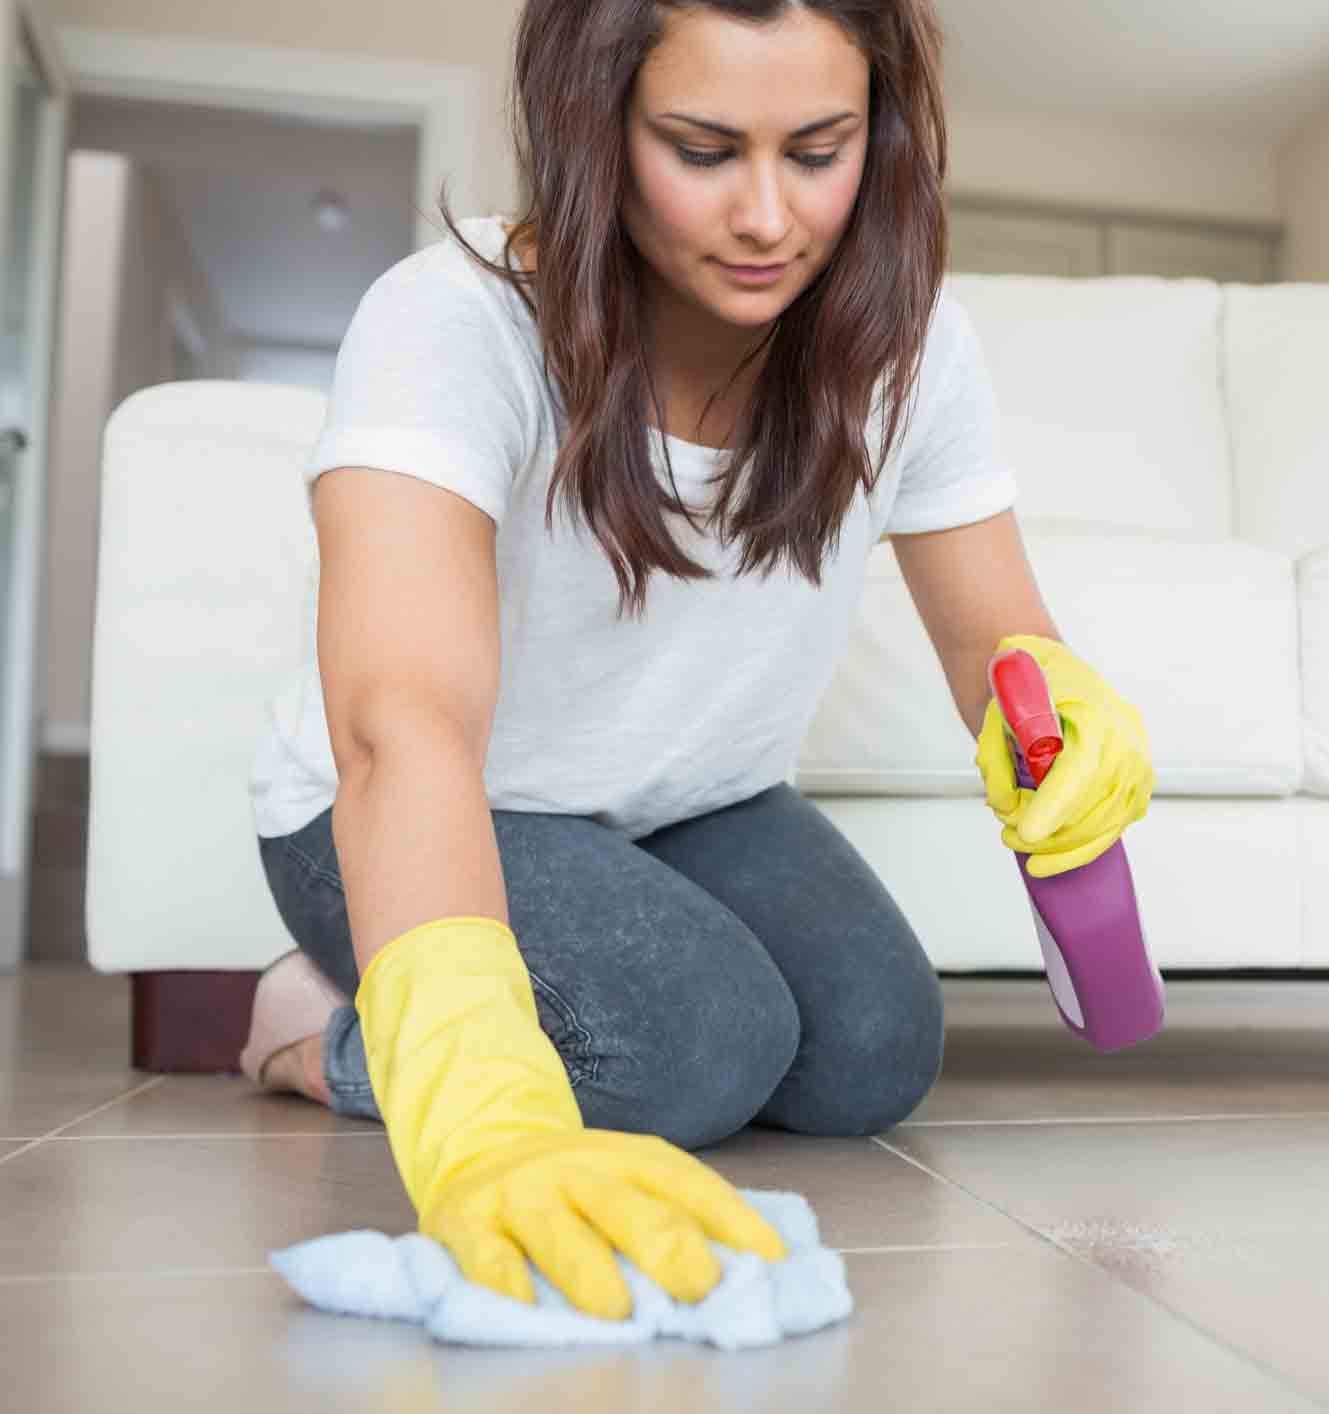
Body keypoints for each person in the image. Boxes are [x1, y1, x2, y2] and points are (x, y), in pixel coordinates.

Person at [240, 0, 1154, 1324]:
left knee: (871, 1055)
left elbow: (995, 638)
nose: (770, 218)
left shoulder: (906, 347)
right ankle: (309, 1026)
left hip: (687, 802)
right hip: (411, 801)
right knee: (689, 1047)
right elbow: (403, 720)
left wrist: (1061, 710)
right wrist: (483, 1106)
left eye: (819, 148)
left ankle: (524, 981)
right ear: (593, 128)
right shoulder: (449, 323)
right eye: (704, 148)